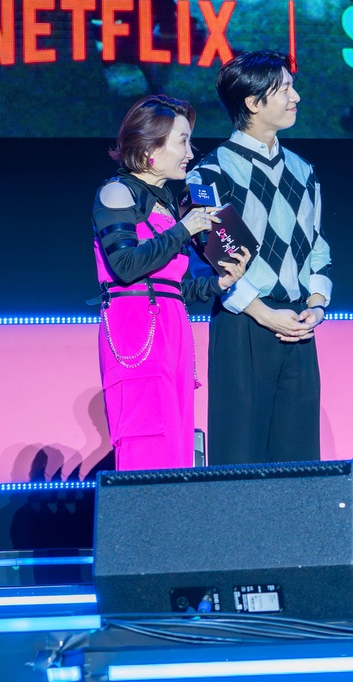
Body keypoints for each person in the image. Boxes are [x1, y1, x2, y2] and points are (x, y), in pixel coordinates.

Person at [186, 50, 332, 466]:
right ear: (252, 102)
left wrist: (317, 305)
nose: (295, 97)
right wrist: (266, 315)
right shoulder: (210, 174)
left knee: (299, 457)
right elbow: (220, 259)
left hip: (298, 325)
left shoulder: (303, 171)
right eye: (284, 90)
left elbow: (317, 245)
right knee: (240, 453)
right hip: (244, 324)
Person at [93, 95, 248, 470]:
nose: (190, 153)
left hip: (172, 327)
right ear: (149, 149)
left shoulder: (165, 206)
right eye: (182, 142)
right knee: (148, 436)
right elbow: (126, 266)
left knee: (177, 442)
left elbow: (171, 289)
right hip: (135, 328)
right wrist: (183, 229)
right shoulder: (117, 192)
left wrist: (218, 283)